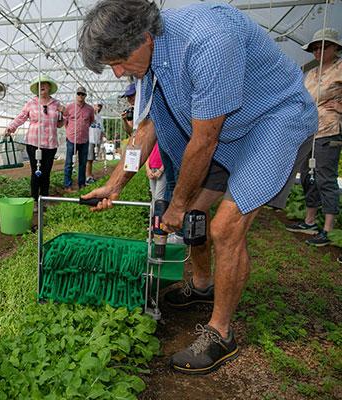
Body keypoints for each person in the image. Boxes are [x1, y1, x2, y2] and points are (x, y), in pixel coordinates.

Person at [79, 0, 317, 374]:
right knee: (195, 215)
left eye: (119, 61)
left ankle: (221, 334)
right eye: (111, 65)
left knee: (224, 226)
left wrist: (176, 204)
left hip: (273, 119)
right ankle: (203, 284)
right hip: (225, 132)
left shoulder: (207, 40)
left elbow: (204, 141)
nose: (118, 72)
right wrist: (115, 184)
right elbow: (147, 127)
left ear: (143, 36)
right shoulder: (149, 60)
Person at [286, 28, 342, 246]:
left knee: (324, 178)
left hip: (329, 131)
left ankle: (328, 229)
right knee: (307, 175)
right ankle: (309, 221)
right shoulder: (311, 73)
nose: (317, 52)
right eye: (314, 48)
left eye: (322, 47)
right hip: (309, 131)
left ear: (335, 47)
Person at [5, 75, 64, 206]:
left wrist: (63, 114)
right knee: (36, 172)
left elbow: (60, 124)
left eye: (44, 84)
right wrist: (11, 127)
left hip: (50, 143)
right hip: (33, 143)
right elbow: (21, 117)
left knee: (46, 172)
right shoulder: (31, 103)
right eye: (39, 85)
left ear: (49, 87)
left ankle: (45, 199)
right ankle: (34, 200)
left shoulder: (56, 104)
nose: (42, 86)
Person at [63, 86, 94, 190]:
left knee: (82, 163)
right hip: (71, 139)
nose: (80, 96)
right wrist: (69, 132)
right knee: (68, 163)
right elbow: (65, 122)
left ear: (85, 96)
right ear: (76, 95)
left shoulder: (90, 109)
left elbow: (90, 121)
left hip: (84, 139)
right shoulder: (69, 107)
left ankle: (81, 184)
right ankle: (67, 185)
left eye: (82, 94)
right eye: (79, 94)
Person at [86, 103, 105, 184]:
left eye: (100, 106)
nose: (99, 108)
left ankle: (90, 175)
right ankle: (88, 177)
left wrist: (101, 141)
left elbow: (101, 130)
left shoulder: (100, 118)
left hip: (96, 142)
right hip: (90, 140)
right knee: (89, 159)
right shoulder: (89, 115)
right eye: (97, 105)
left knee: (92, 159)